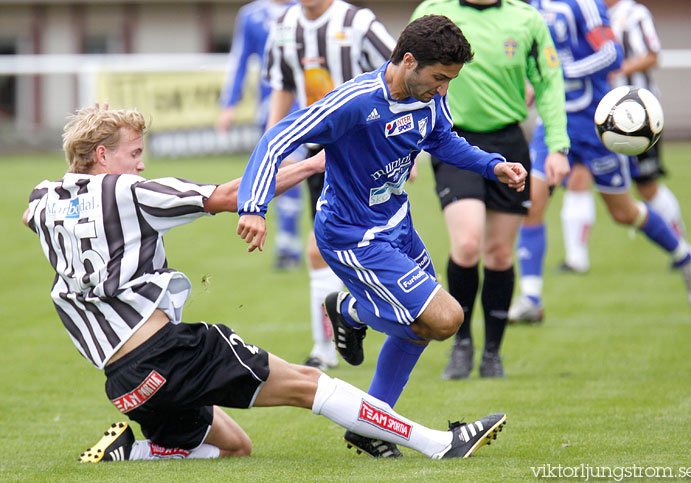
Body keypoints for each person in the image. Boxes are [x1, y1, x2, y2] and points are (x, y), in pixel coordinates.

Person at [23, 105, 506, 463]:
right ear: (103, 155)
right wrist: (315, 165)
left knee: (235, 447)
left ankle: (133, 453)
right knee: (309, 384)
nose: (141, 165)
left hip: (125, 382)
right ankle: (439, 444)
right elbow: (233, 194)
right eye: (134, 154)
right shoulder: (128, 190)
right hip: (169, 351)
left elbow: (35, 215)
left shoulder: (42, 200)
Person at [236, 15, 524, 457]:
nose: (443, 88)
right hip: (352, 237)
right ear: (408, 61)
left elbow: (443, 140)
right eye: (439, 78)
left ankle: (372, 425)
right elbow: (277, 137)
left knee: (421, 329)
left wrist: (493, 165)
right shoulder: (355, 102)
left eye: (450, 80)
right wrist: (254, 207)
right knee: (446, 319)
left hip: (398, 227)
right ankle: (350, 309)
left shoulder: (430, 98)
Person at [508, 0, 691, 323]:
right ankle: (531, 298)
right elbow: (537, 53)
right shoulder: (533, 5)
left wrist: (561, 73)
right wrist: (534, 83)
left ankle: (686, 257)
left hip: (598, 126)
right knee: (531, 203)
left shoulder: (585, 5)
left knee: (624, 212)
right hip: (554, 122)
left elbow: (612, 54)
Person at [410, 0, 571, 379]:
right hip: (452, 140)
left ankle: (493, 352)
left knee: (499, 253)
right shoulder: (433, 11)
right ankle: (462, 342)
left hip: (509, 143)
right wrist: (407, 143)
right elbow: (406, 79)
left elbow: (549, 82)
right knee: (466, 244)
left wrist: (559, 146)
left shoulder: (527, 20)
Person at [263, 0, 396, 370]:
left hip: (369, 146)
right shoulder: (284, 25)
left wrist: (406, 141)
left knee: (369, 242)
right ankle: (328, 344)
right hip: (323, 151)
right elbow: (283, 85)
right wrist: (274, 143)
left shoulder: (357, 22)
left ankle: (356, 324)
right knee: (323, 247)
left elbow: (402, 71)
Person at [555, 0, 687, 275]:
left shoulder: (634, 14)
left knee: (646, 187)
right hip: (596, 116)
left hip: (639, 120)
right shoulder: (584, 13)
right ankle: (576, 259)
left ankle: (680, 245)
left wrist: (616, 69)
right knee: (578, 178)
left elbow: (652, 54)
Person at [218, 0, 305, 271]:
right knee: (277, 171)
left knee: (299, 168)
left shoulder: (309, 9)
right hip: (270, 108)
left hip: (306, 104)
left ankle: (292, 244)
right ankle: (288, 245)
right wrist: (228, 104)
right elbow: (240, 60)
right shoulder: (252, 15)